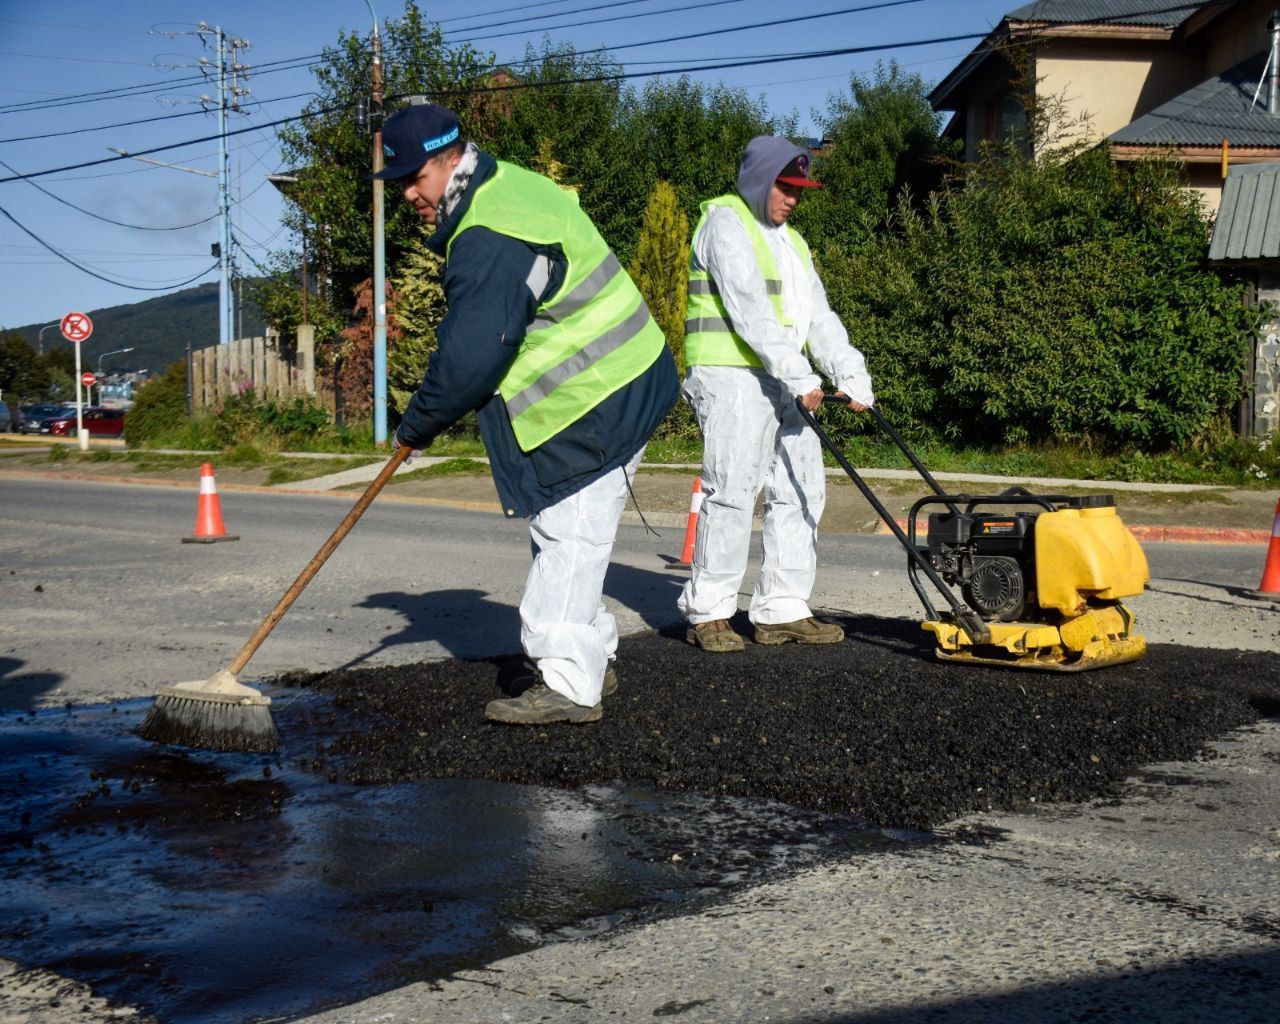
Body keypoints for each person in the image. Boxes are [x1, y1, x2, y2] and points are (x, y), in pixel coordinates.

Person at [374, 104, 678, 722]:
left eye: (415, 179)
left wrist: (418, 424)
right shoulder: (506, 186)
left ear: (450, 159)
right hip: (619, 379)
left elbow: (471, 358)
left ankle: (569, 686)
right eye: (400, 180)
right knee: (572, 534)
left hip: (598, 398)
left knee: (568, 534)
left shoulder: (488, 235)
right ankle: (591, 657)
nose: (408, 193)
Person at [678, 135, 874, 653]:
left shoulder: (793, 243)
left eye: (799, 191)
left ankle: (782, 609)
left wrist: (849, 371)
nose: (792, 198)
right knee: (734, 489)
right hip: (731, 376)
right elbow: (749, 311)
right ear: (759, 180)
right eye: (784, 188)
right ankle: (710, 611)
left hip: (786, 380)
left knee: (802, 486)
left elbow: (818, 317)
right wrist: (801, 374)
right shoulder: (725, 224)